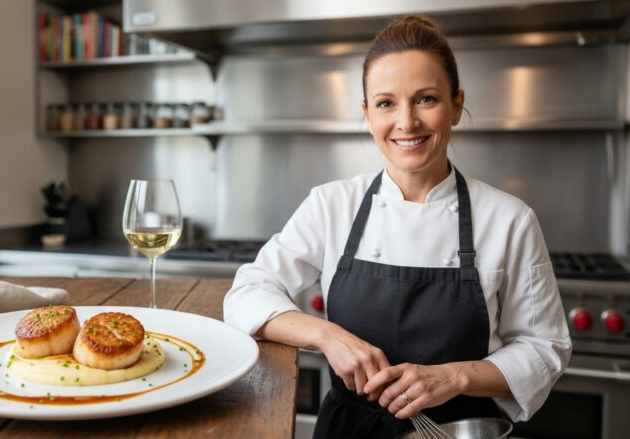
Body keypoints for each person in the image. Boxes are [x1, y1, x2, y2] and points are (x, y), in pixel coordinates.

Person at [223, 15, 572, 439]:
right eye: (387, 103)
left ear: (457, 105)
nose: (407, 122)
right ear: (367, 114)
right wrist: (328, 336)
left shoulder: (509, 220)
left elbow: (545, 348)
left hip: (457, 430)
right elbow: (246, 294)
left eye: (426, 99)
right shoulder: (332, 205)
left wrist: (454, 377)